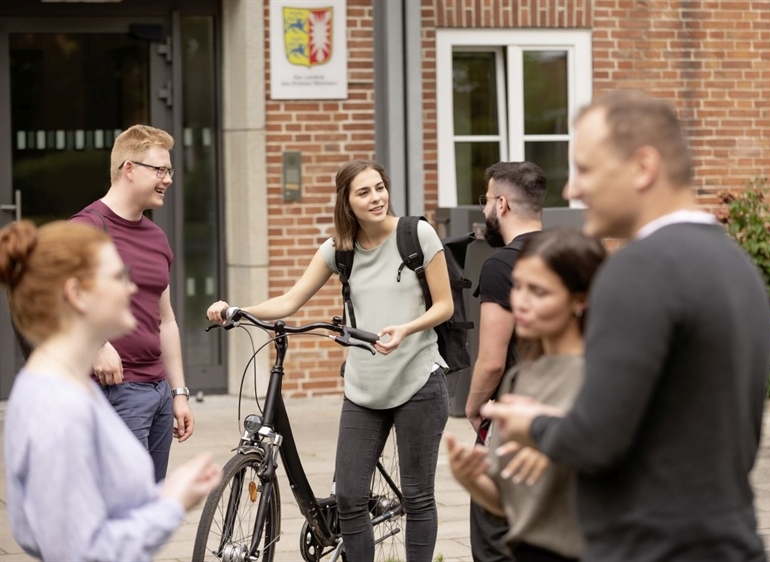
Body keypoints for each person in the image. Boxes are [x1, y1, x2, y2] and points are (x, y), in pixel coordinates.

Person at [482, 90, 770, 562]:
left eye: (587, 169)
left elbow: (595, 442)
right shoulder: (735, 264)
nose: (573, 189)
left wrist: (531, 423)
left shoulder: (637, 268)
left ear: (643, 167)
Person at [207, 160, 452, 562]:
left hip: (418, 381)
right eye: (363, 192)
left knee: (417, 495)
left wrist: (407, 329)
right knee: (351, 497)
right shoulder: (339, 250)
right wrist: (236, 309)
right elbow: (289, 300)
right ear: (347, 201)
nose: (376, 198)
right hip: (363, 387)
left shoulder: (416, 235)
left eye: (379, 188)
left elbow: (444, 305)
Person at [0, 220, 221, 561]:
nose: (133, 290)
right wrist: (172, 503)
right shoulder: (56, 407)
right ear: (77, 294)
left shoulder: (69, 385)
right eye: (119, 277)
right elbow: (80, 553)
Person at [449, 228, 606, 562]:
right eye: (518, 286)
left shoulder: (605, 377)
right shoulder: (521, 377)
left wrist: (555, 446)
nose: (520, 301)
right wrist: (474, 481)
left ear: (580, 299)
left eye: (538, 291)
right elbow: (515, 505)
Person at [69, 124, 193, 482]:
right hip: (112, 393)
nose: (168, 179)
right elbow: (48, 300)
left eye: (169, 170)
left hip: (156, 394)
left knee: (145, 514)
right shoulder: (86, 228)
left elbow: (165, 320)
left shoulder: (156, 237)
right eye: (160, 169)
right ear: (129, 169)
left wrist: (178, 393)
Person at [465, 161, 547, 562]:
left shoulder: (500, 266)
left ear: (502, 204)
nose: (483, 211)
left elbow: (492, 362)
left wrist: (474, 406)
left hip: (515, 424)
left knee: (495, 540)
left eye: (486, 201)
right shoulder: (572, 255)